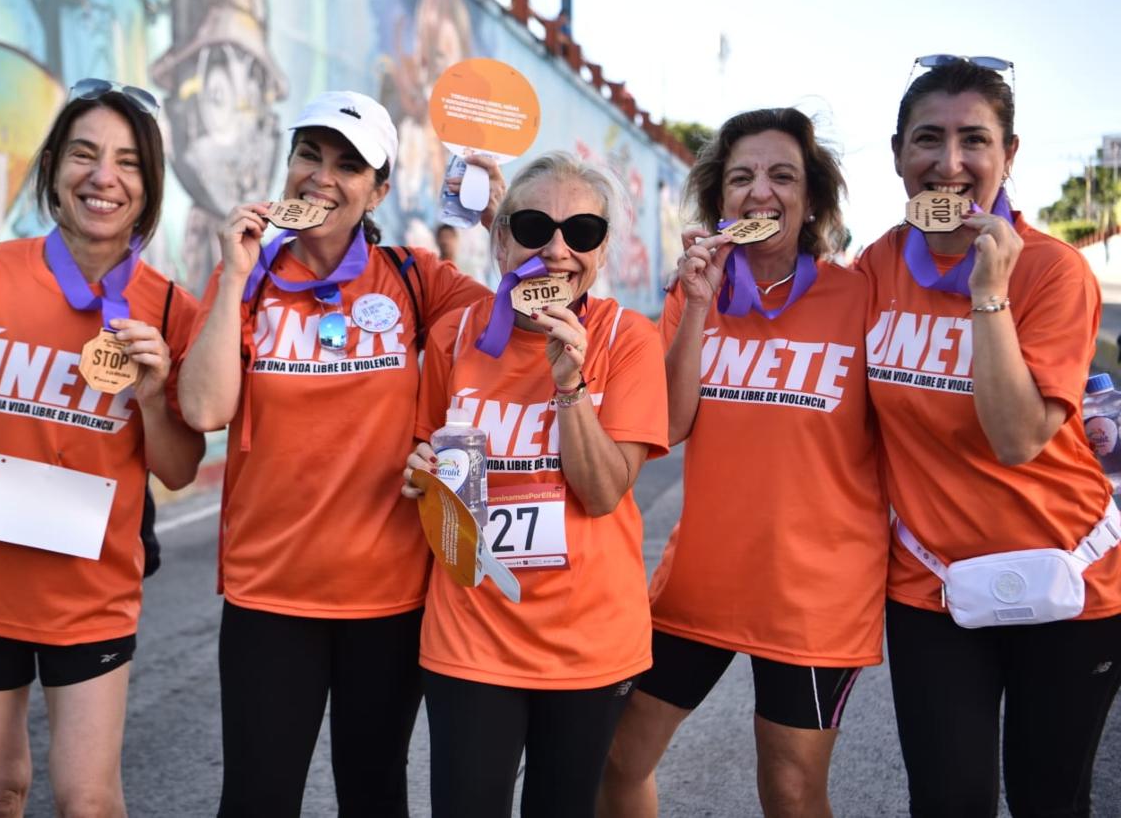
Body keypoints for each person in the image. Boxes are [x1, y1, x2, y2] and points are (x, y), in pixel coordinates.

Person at [177, 90, 501, 817]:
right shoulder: (248, 281)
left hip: (386, 597)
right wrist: (233, 275)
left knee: (374, 795)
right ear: (286, 165)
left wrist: (495, 216)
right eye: (309, 155)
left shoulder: (415, 279)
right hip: (270, 594)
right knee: (257, 800)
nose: (322, 176)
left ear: (378, 190)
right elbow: (203, 409)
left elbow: (510, 316)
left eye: (349, 165)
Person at [0, 77, 203, 817]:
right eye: (83, 153)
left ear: (148, 188)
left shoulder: (172, 309)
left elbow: (178, 467)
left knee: (88, 801)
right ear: (53, 169)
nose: (102, 177)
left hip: (89, 593)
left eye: (127, 162)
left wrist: (151, 389)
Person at [598, 108, 887, 818]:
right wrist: (696, 307)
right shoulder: (693, 294)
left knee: (790, 791)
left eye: (782, 176)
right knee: (618, 758)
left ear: (812, 198)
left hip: (815, 595)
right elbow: (667, 424)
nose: (761, 192)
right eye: (742, 178)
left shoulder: (860, 296)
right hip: (704, 580)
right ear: (720, 201)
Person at [858, 55, 1121, 816]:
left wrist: (988, 295)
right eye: (927, 140)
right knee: (948, 800)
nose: (949, 163)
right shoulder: (876, 267)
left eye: (974, 139)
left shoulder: (1051, 272)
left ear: (1008, 155)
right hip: (930, 584)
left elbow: (1015, 438)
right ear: (898, 154)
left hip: (1072, 581)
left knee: (1048, 800)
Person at [402, 151, 669, 818]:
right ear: (499, 239)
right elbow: (423, 458)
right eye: (532, 226)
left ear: (601, 253)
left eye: (581, 233)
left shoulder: (626, 340)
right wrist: (419, 474)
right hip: (471, 634)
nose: (556, 250)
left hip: (588, 644)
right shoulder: (453, 336)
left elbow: (605, 492)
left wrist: (569, 384)